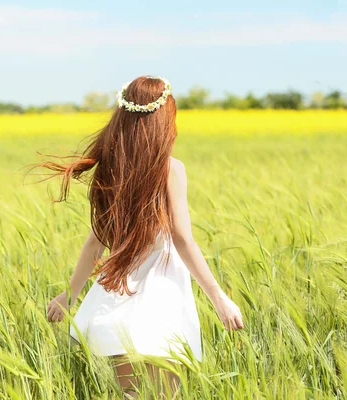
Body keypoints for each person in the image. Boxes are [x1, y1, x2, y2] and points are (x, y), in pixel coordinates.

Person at [35, 75, 244, 399]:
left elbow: (95, 242)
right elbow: (182, 238)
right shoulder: (170, 169)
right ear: (164, 120)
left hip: (115, 306)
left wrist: (70, 296)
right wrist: (219, 298)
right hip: (162, 305)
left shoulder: (112, 168)